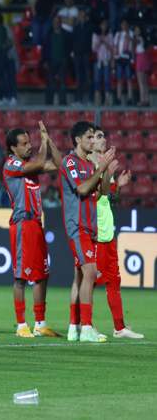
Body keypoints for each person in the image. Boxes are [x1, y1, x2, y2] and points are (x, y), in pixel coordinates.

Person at [3, 123, 63, 338]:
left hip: (37, 224)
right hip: (22, 225)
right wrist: (43, 145)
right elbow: (40, 162)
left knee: (41, 275)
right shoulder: (11, 165)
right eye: (24, 143)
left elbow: (60, 165)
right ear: (12, 148)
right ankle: (21, 325)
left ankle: (40, 323)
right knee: (20, 277)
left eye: (30, 142)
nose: (29, 146)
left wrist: (49, 140)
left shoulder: (31, 165)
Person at [59, 121, 116, 343]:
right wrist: (100, 168)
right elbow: (82, 188)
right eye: (90, 137)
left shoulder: (91, 163)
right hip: (77, 226)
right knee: (91, 273)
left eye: (95, 137)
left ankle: (74, 327)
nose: (93, 141)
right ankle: (87, 327)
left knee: (81, 276)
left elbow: (103, 192)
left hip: (90, 227)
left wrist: (105, 170)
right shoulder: (70, 162)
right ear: (78, 140)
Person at [89, 128, 143, 339]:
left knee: (114, 281)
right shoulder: (90, 167)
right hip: (95, 233)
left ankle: (119, 327)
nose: (103, 140)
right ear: (90, 141)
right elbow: (89, 198)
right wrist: (106, 173)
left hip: (107, 233)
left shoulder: (103, 166)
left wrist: (118, 186)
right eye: (99, 136)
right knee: (89, 283)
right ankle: (84, 325)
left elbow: (108, 201)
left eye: (103, 136)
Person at [44, 17, 70, 106]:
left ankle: (63, 104)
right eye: (55, 22)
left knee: (62, 84)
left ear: (60, 23)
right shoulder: (48, 35)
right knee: (50, 84)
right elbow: (45, 49)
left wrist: (66, 60)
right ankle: (48, 105)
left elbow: (68, 49)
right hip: (51, 62)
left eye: (58, 22)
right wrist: (45, 61)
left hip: (62, 62)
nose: (56, 24)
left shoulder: (65, 34)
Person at [71, 10, 93, 104]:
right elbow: (73, 42)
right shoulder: (75, 28)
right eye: (80, 15)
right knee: (79, 78)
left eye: (83, 15)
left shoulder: (89, 27)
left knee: (88, 77)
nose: (82, 17)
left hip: (86, 55)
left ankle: (89, 99)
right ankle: (78, 99)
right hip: (77, 55)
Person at [92, 19, 114, 106]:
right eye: (102, 25)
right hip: (98, 61)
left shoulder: (110, 35)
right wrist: (99, 41)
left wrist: (105, 42)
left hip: (106, 61)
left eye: (105, 25)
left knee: (106, 80)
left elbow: (112, 48)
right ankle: (97, 100)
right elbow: (93, 48)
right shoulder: (95, 35)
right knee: (97, 80)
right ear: (100, 26)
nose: (104, 27)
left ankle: (107, 100)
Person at [113, 19, 134, 105]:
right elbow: (114, 46)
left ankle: (130, 98)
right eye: (122, 24)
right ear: (121, 25)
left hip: (127, 58)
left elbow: (132, 45)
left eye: (125, 24)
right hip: (119, 58)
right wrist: (114, 57)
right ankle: (118, 98)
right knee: (119, 79)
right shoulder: (118, 34)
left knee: (129, 79)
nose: (124, 26)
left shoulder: (131, 33)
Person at [133, 26, 150, 107]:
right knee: (144, 82)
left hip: (140, 58)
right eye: (135, 30)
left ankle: (143, 100)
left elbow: (132, 46)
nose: (135, 31)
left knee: (141, 82)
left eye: (137, 30)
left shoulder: (138, 38)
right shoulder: (143, 38)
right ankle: (146, 99)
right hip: (144, 58)